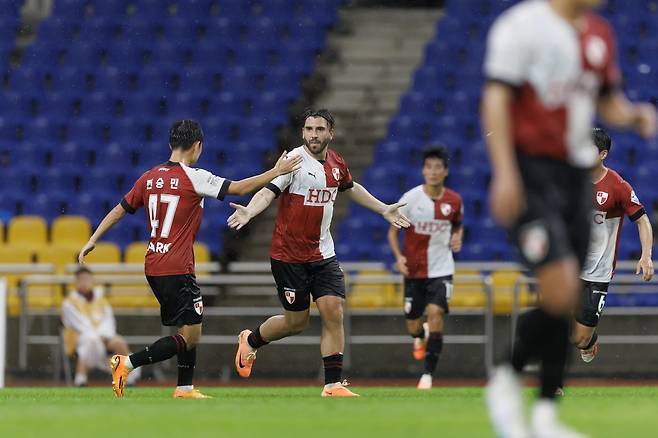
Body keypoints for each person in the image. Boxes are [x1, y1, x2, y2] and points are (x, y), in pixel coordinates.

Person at [482, 0, 657, 436]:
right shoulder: (520, 26)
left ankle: (542, 413)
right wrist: (505, 172)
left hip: (575, 179)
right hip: (531, 174)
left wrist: (634, 114)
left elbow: (607, 102)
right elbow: (496, 99)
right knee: (560, 286)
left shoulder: (599, 34)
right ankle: (506, 378)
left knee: (560, 303)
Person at [78, 119, 302, 398]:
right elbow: (241, 188)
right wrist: (276, 171)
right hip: (176, 265)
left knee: (188, 326)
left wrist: (93, 239)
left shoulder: (149, 177)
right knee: (192, 334)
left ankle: (184, 387)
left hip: (154, 262)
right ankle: (126, 363)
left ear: (170, 144)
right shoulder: (193, 177)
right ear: (197, 146)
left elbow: (120, 209)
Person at [227, 108, 410, 397]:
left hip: (323, 254)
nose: (314, 134)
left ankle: (332, 384)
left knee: (333, 311)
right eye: (309, 129)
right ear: (303, 133)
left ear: (330, 133)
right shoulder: (293, 162)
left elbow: (351, 187)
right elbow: (268, 191)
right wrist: (250, 210)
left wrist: (383, 208)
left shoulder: (337, 163)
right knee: (295, 323)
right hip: (288, 257)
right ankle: (251, 341)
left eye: (319, 129)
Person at [573, 127, 653, 364]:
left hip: (598, 272)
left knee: (579, 338)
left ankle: (589, 340)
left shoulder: (617, 186)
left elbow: (643, 220)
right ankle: (553, 385)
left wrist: (646, 255)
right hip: (569, 266)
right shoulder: (572, 180)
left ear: (603, 154)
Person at [386, 146, 463, 390]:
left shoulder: (454, 201)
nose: (433, 172)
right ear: (423, 170)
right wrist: (399, 257)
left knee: (436, 314)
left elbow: (458, 225)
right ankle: (419, 337)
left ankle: (428, 375)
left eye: (438, 167)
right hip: (414, 271)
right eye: (429, 167)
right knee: (412, 322)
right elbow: (392, 231)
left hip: (441, 269)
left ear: (445, 171)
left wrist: (458, 237)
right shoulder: (410, 199)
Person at [61, 266, 141, 387]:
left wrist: (105, 336)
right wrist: (99, 337)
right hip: (80, 338)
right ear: (76, 282)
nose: (85, 282)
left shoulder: (101, 301)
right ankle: (80, 378)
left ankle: (127, 378)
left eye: (87, 279)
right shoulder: (69, 303)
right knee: (91, 340)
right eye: (81, 280)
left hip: (104, 337)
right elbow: (78, 324)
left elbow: (109, 321)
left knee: (119, 342)